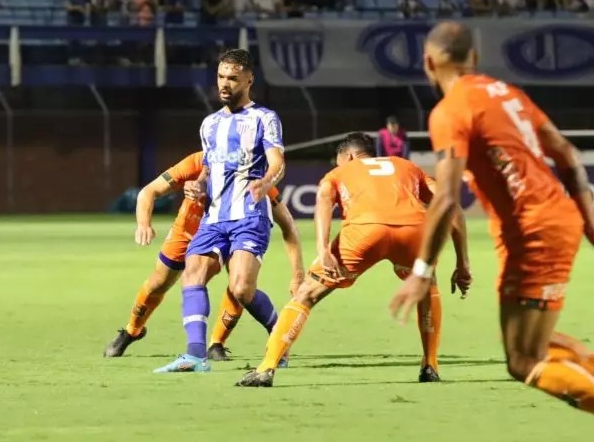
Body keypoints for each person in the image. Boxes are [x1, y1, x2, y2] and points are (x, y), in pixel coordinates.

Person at [389, 21, 594, 413]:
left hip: (532, 230)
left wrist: (420, 271)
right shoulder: (507, 94)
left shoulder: (450, 110)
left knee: (524, 361)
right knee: (533, 344)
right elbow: (567, 155)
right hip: (555, 218)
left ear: (428, 63)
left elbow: (446, 196)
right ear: (475, 58)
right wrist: (589, 222)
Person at [236, 132, 471, 387]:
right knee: (427, 285)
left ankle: (266, 368)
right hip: (413, 232)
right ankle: (430, 366)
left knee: (306, 294)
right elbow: (450, 205)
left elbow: (324, 199)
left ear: (348, 155)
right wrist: (462, 263)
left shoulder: (338, 174)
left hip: (364, 233)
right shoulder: (407, 166)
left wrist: (323, 248)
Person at [154, 49, 286, 373]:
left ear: (248, 79)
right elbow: (209, 169)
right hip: (214, 217)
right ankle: (195, 355)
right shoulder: (209, 124)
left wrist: (266, 182)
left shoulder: (264, 118)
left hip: (249, 215)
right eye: (221, 77)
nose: (224, 84)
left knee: (241, 288)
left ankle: (281, 336)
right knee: (192, 274)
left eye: (232, 78)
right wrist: (198, 184)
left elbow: (278, 164)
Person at [103, 151, 304, 360]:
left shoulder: (249, 170)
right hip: (188, 230)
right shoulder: (196, 162)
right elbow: (148, 191)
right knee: (158, 283)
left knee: (239, 284)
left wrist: (298, 273)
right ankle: (132, 331)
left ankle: (215, 344)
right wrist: (143, 224)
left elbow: (288, 224)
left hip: (230, 231)